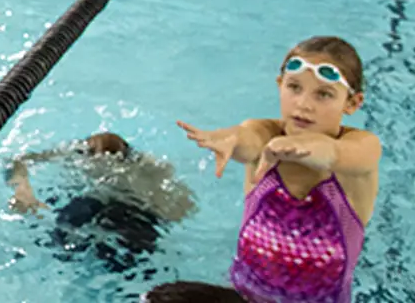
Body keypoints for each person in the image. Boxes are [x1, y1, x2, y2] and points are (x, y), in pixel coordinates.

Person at [163, 36, 382, 303]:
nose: (304, 104)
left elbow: (337, 154)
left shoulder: (362, 147)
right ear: (280, 86)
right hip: (244, 295)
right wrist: (231, 139)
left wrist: (307, 148)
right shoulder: (265, 134)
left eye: (323, 94)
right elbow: (248, 139)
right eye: (294, 88)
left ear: (352, 103)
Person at [6, 131, 194, 274]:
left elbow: (180, 206)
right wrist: (23, 190)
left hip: (128, 211)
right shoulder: (75, 152)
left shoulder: (149, 165)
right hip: (105, 207)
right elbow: (19, 161)